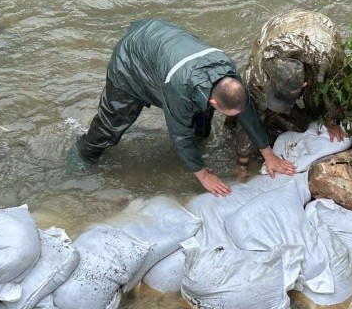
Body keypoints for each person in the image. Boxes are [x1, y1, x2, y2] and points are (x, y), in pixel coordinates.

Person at [71, 18, 296, 196]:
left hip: (167, 50)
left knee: (200, 125)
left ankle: (198, 147)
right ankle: (81, 156)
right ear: (216, 102)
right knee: (112, 123)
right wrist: (204, 175)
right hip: (132, 59)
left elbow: (245, 111)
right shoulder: (180, 91)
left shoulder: (228, 73)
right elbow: (179, 136)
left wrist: (268, 154)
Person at [231, 10, 349, 173]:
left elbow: (335, 85)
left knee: (318, 98)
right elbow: (248, 113)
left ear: (304, 84)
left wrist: (331, 119)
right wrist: (242, 161)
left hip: (319, 30)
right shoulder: (260, 73)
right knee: (254, 105)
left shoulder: (327, 58)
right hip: (279, 26)